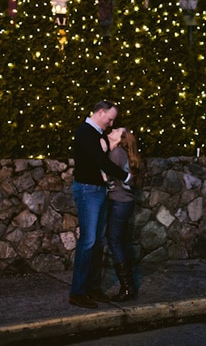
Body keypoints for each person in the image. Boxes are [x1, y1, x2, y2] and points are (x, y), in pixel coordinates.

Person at [69, 101, 131, 309]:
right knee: (88, 241)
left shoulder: (97, 134)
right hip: (88, 190)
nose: (111, 123)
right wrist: (126, 176)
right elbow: (100, 161)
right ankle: (78, 292)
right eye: (110, 118)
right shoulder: (86, 132)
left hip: (97, 190)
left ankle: (92, 287)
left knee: (97, 241)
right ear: (101, 112)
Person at [105, 127, 142, 301]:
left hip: (119, 202)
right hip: (124, 202)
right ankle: (128, 286)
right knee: (118, 240)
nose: (113, 129)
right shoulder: (122, 153)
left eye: (117, 130)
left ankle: (127, 288)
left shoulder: (117, 153)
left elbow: (107, 176)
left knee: (115, 241)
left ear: (121, 139)